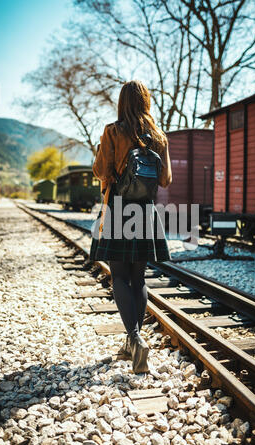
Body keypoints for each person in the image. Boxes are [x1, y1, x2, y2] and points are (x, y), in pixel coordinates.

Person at [92, 80, 172, 373]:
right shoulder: (159, 136)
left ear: (122, 102)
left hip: (118, 208)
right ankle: (132, 342)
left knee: (120, 278)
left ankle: (136, 339)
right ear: (146, 101)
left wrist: (103, 150)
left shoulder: (113, 131)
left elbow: (101, 171)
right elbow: (165, 180)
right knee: (138, 279)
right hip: (146, 211)